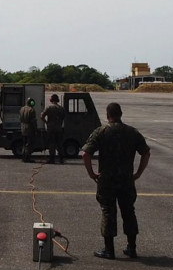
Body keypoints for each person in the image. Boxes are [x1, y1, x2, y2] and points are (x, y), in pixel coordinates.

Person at [82, 102, 151, 259]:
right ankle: (131, 248)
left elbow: (86, 154)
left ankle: (109, 249)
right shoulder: (132, 132)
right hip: (126, 179)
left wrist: (92, 173)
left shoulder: (101, 131)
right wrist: (138, 172)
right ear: (121, 114)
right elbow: (146, 153)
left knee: (108, 211)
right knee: (128, 212)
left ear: (108, 115)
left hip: (107, 180)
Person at [40, 94, 66, 164]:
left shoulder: (49, 107)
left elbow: (42, 116)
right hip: (59, 128)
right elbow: (63, 118)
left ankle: (52, 159)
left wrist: (46, 122)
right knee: (59, 144)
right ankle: (61, 159)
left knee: (52, 143)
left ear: (51, 99)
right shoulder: (62, 108)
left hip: (51, 128)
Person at [19, 97, 37, 163]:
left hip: (23, 127)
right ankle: (27, 158)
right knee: (29, 144)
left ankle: (23, 157)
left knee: (24, 143)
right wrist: (36, 129)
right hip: (29, 128)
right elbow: (33, 121)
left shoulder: (22, 109)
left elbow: (20, 118)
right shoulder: (31, 110)